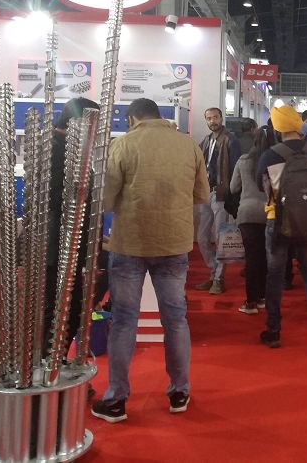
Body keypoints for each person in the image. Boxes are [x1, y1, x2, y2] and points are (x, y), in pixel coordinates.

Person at [92, 99, 208, 423]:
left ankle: (116, 400)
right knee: (176, 319)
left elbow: (106, 200)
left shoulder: (123, 145)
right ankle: (179, 392)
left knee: (124, 321)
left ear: (132, 119)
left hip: (130, 243)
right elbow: (201, 194)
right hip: (174, 243)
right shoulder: (188, 145)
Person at [256, 105, 307, 350]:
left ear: (278, 128)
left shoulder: (270, 155)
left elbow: (261, 185)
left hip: (278, 220)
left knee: (275, 275)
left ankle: (273, 330)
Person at [44, 97, 101, 355]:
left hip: (70, 242)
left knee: (72, 305)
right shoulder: (54, 149)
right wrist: (83, 194)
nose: (96, 132)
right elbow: (53, 199)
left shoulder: (70, 149)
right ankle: (48, 364)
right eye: (93, 124)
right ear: (77, 122)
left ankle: (56, 360)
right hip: (57, 244)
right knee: (58, 307)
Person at [195, 107, 240, 294]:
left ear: (221, 118)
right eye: (209, 118)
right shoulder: (206, 140)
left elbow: (236, 169)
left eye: (215, 117)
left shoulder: (230, 139)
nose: (212, 121)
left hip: (221, 194)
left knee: (221, 238)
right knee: (201, 237)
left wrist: (232, 194)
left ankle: (218, 280)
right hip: (206, 192)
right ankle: (213, 273)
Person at [230, 127, 270, 315]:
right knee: (264, 257)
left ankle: (251, 302)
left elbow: (233, 187)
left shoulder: (243, 160)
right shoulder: (272, 160)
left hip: (247, 213)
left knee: (252, 259)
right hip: (268, 213)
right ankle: (262, 297)